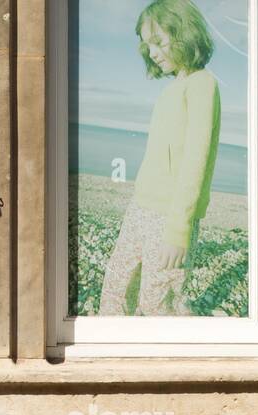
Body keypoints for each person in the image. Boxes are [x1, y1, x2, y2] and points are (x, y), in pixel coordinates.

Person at [99, 0, 221, 316]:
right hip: (141, 206)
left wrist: (179, 229)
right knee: (116, 284)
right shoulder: (172, 89)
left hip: (170, 214)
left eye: (158, 41)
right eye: (147, 44)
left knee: (159, 300)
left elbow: (196, 159)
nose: (151, 52)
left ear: (183, 32)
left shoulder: (202, 85)